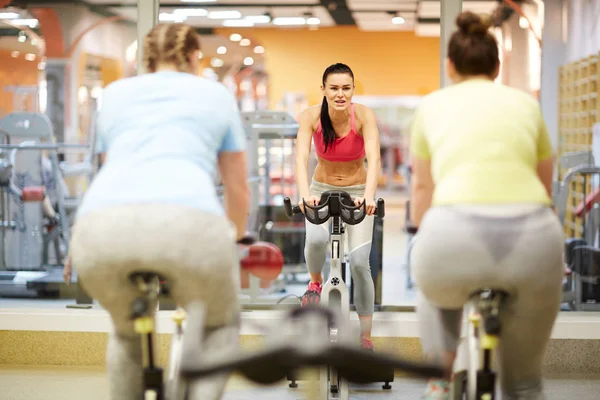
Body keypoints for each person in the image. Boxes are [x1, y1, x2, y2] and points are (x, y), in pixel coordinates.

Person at [62, 23, 250, 400]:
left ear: (145, 59)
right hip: (188, 225)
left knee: (125, 332)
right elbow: (237, 187)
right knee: (219, 326)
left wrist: (75, 247)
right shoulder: (215, 94)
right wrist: (236, 241)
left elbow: (107, 170)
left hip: (102, 231)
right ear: (195, 57)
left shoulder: (114, 95)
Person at [408, 11, 563, 400]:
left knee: (430, 284)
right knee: (525, 383)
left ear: (450, 66)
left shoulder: (431, 106)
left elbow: (422, 188)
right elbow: (546, 186)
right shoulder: (526, 105)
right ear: (498, 65)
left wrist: (418, 233)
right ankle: (521, 386)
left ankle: (440, 378)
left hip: (452, 238)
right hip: (531, 240)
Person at [294, 63, 381, 350]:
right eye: (334, 88)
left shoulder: (364, 115)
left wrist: (368, 197)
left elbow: (375, 159)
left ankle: (366, 337)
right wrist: (305, 194)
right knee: (316, 241)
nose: (340, 94)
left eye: (346, 88)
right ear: (324, 90)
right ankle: (315, 283)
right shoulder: (310, 117)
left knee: (359, 264)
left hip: (358, 190)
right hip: (321, 188)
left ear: (353, 89)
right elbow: (300, 159)